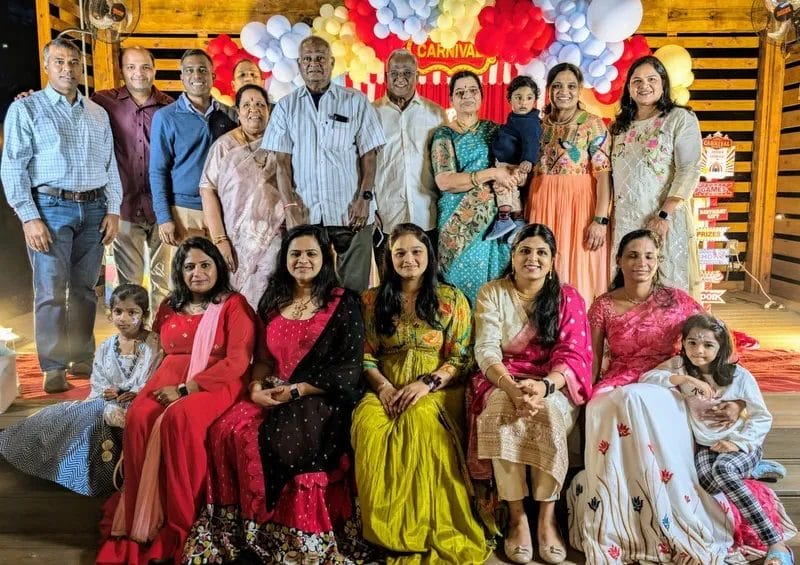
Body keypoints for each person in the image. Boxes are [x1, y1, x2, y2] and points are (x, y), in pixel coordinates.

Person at [183, 225, 371, 564]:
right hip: (272, 390)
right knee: (226, 429)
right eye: (295, 253)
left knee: (288, 435)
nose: (302, 260)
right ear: (284, 258)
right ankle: (246, 532)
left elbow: (348, 369)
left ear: (325, 258)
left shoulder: (343, 302)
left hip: (322, 396)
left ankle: (296, 537)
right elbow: (264, 359)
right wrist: (255, 389)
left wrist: (296, 390)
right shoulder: (273, 301)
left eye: (311, 253)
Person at [566, 229, 744, 564]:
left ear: (658, 260)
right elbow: (590, 358)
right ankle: (621, 524)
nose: (641, 263)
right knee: (608, 406)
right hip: (616, 381)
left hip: (666, 380)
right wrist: (582, 399)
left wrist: (727, 390)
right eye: (632, 255)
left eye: (649, 256)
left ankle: (672, 521)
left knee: (636, 401)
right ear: (619, 260)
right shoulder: (604, 304)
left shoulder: (676, 300)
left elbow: (716, 337)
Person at [96, 237, 257, 565]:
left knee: (177, 420)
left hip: (215, 380)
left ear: (218, 267)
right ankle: (143, 513)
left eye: (204, 265)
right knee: (140, 417)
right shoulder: (170, 304)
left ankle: (179, 519)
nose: (197, 273)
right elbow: (155, 349)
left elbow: (238, 362)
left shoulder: (233, 304)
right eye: (189, 267)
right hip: (167, 375)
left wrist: (186, 389)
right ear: (179, 272)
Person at [351, 223, 490, 564]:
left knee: (419, 421)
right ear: (389, 258)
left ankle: (423, 527)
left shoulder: (451, 299)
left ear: (429, 255)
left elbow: (461, 357)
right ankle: (385, 531)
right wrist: (383, 387)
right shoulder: (370, 300)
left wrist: (425, 384)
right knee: (369, 425)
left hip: (438, 388)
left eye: (416, 252)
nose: (408, 259)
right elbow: (366, 355)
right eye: (400, 253)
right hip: (385, 383)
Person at [1, 37, 123, 393]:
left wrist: (113, 209)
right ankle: (53, 366)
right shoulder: (27, 110)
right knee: (51, 289)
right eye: (59, 62)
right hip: (49, 208)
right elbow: (13, 168)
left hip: (94, 207)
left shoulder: (97, 113)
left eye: (73, 62)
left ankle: (82, 355)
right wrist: (29, 216)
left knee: (85, 288)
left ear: (80, 66)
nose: (67, 69)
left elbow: (110, 165)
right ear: (46, 66)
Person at [467, 224, 592, 565]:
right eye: (525, 250)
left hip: (552, 384)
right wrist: (510, 387)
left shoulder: (568, 298)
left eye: (541, 252)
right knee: (499, 411)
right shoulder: (492, 292)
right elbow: (486, 349)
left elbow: (574, 355)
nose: (532, 258)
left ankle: (547, 517)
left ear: (553, 259)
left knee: (549, 412)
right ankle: (517, 515)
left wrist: (544, 386)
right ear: (513, 255)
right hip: (501, 380)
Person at [641, 313, 796, 565]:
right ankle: (751, 471)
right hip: (708, 446)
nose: (698, 350)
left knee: (724, 470)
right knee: (706, 481)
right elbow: (646, 378)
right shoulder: (679, 366)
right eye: (692, 342)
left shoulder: (739, 376)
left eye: (708, 345)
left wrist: (738, 444)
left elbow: (761, 417)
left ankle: (776, 543)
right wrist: (683, 379)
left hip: (741, 444)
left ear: (721, 347)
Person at [0, 284, 161, 497]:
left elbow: (152, 378)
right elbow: (99, 382)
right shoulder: (106, 346)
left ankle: (96, 478)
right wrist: (107, 393)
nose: (124, 318)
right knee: (58, 419)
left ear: (145, 314)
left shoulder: (153, 344)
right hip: (104, 404)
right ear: (110, 314)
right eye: (118, 312)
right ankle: (18, 447)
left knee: (95, 430)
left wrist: (133, 392)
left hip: (135, 405)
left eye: (132, 312)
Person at [262, 36, 385, 292]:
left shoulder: (356, 101)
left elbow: (369, 155)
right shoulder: (285, 107)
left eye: (320, 58)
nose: (314, 64)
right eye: (307, 59)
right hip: (306, 213)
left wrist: (365, 198)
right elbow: (282, 163)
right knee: (311, 291)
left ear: (331, 62)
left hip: (352, 212)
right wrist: (290, 206)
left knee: (354, 291)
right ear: (299, 64)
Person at [92, 47, 174, 316]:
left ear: (154, 69)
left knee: (166, 282)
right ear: (122, 70)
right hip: (124, 205)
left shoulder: (170, 106)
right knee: (129, 283)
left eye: (145, 67)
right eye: (131, 67)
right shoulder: (104, 102)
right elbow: (71, 110)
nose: (138, 73)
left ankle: (163, 341)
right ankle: (133, 344)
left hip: (162, 207)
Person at [610, 55, 702, 297]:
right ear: (629, 87)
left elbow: (689, 168)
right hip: (625, 219)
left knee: (666, 287)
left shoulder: (678, 118)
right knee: (628, 286)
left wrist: (664, 214)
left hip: (661, 218)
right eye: (636, 80)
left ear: (663, 84)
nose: (644, 85)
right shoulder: (620, 126)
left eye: (652, 79)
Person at [526, 63, 611, 306]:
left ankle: (576, 336)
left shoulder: (592, 124)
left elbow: (604, 174)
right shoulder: (538, 125)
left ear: (580, 90)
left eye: (571, 86)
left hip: (579, 208)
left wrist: (600, 220)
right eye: (558, 86)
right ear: (549, 89)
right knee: (541, 266)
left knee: (577, 269)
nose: (564, 91)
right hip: (542, 204)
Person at [431, 70, 518, 305]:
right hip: (455, 221)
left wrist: (508, 177)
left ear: (481, 96)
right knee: (456, 289)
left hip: (493, 221)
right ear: (451, 99)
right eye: (460, 92)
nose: (466, 96)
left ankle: (489, 340)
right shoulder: (444, 134)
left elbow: (512, 168)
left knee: (492, 286)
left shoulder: (495, 131)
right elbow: (444, 180)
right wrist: (491, 174)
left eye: (472, 91)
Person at [200, 84, 283, 309]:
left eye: (260, 104)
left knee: (271, 299)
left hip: (273, 237)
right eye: (246, 105)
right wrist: (220, 240)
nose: (253, 109)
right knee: (239, 304)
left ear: (269, 110)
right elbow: (207, 189)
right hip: (235, 241)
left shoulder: (281, 145)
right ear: (237, 112)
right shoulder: (224, 146)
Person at [149, 49, 237, 250]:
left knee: (222, 275)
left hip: (223, 209)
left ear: (212, 76)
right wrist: (164, 217)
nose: (196, 75)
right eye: (189, 70)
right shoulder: (166, 117)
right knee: (182, 277)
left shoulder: (229, 115)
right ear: (182, 77)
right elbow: (157, 171)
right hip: (183, 212)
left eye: (202, 70)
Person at [372, 50, 446, 257]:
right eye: (394, 72)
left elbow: (445, 164)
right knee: (389, 282)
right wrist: (370, 208)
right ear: (386, 76)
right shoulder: (370, 114)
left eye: (407, 72)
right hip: (387, 216)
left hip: (427, 214)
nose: (400, 78)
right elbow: (362, 165)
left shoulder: (436, 114)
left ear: (418, 75)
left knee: (426, 281)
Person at [487, 75, 542, 241]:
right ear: (509, 99)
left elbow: (532, 141)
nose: (523, 102)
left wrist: (528, 160)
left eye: (529, 98)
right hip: (508, 161)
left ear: (535, 100)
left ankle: (504, 219)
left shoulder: (529, 121)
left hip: (513, 164)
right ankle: (517, 221)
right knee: (513, 191)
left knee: (503, 185)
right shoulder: (518, 118)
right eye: (518, 98)